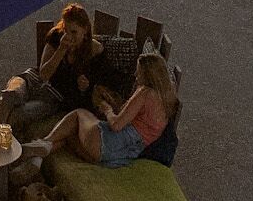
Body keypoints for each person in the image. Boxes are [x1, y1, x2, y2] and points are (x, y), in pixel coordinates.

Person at [26, 51, 179, 171]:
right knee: (69, 134)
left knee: (79, 114)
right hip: (119, 158)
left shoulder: (145, 92)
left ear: (149, 75)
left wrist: (107, 110)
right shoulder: (167, 101)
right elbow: (138, 123)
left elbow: (116, 125)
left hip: (107, 143)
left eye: (139, 72)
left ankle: (44, 143)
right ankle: (37, 159)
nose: (136, 76)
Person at [0, 3, 103, 138]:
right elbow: (43, 74)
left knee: (20, 114)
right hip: (31, 79)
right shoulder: (56, 37)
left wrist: (84, 86)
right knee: (10, 96)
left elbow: (95, 81)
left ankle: (3, 140)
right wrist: (61, 49)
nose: (68, 36)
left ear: (85, 29)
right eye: (66, 30)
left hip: (52, 96)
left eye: (74, 32)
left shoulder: (92, 50)